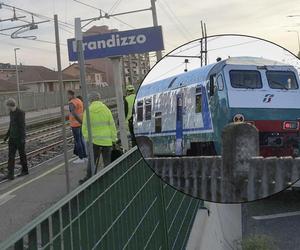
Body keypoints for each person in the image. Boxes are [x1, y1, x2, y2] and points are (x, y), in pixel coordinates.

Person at [80, 92, 117, 184]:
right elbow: (112, 125)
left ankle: (89, 179)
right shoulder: (106, 110)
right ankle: (109, 180)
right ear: (99, 99)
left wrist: (88, 139)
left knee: (92, 161)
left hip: (94, 141)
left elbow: (84, 127)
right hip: (107, 141)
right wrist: (113, 139)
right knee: (107, 161)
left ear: (90, 100)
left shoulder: (88, 111)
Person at [3, 98, 28, 180]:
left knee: (22, 155)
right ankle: (10, 174)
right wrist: (6, 136)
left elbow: (22, 126)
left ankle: (25, 170)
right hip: (12, 139)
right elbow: (11, 125)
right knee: (11, 157)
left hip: (19, 138)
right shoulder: (11, 113)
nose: (7, 108)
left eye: (7, 106)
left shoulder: (20, 112)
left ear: (10, 105)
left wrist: (22, 138)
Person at [67, 90, 87, 163]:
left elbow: (74, 113)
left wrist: (79, 121)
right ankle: (85, 156)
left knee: (78, 141)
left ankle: (80, 158)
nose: (67, 97)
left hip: (75, 124)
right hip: (80, 124)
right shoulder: (78, 100)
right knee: (81, 140)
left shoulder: (72, 103)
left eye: (68, 95)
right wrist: (82, 122)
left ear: (71, 95)